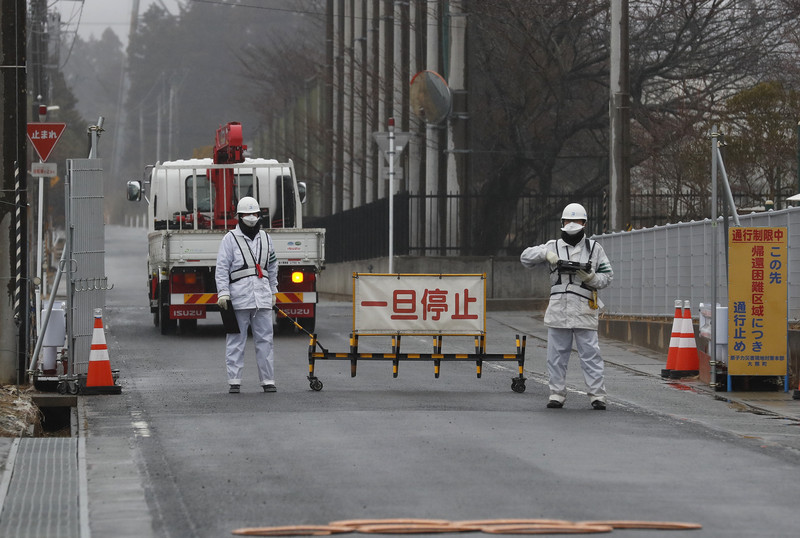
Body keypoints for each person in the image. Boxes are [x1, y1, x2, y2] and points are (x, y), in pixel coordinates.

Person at [520, 203, 614, 410]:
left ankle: (597, 395)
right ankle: (556, 394)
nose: (573, 224)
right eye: (569, 221)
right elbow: (525, 258)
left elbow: (607, 277)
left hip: (584, 308)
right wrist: (545, 254)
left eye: (577, 221)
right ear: (562, 223)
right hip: (558, 309)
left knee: (590, 354)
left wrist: (591, 277)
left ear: (585, 223)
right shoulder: (552, 246)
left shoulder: (594, 248)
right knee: (556, 354)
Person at [215, 196, 279, 394]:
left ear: (260, 215)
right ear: (239, 216)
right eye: (247, 214)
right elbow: (222, 268)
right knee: (236, 340)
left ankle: (268, 380)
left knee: (265, 340)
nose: (251, 218)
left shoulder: (266, 238)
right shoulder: (230, 239)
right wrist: (223, 293)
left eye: (255, 214)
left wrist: (274, 290)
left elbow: (272, 266)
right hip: (239, 298)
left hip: (262, 298)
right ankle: (234, 381)